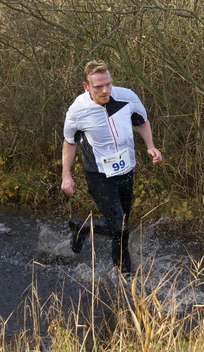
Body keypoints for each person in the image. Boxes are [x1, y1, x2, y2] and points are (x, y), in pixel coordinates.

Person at [61, 60, 163, 274]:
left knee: (122, 225)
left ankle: (120, 271)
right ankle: (123, 273)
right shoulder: (78, 111)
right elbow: (70, 143)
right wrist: (66, 175)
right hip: (98, 174)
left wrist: (150, 146)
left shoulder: (127, 97)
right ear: (86, 86)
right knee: (119, 226)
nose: (105, 90)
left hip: (126, 170)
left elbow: (141, 121)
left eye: (108, 83)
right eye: (98, 86)